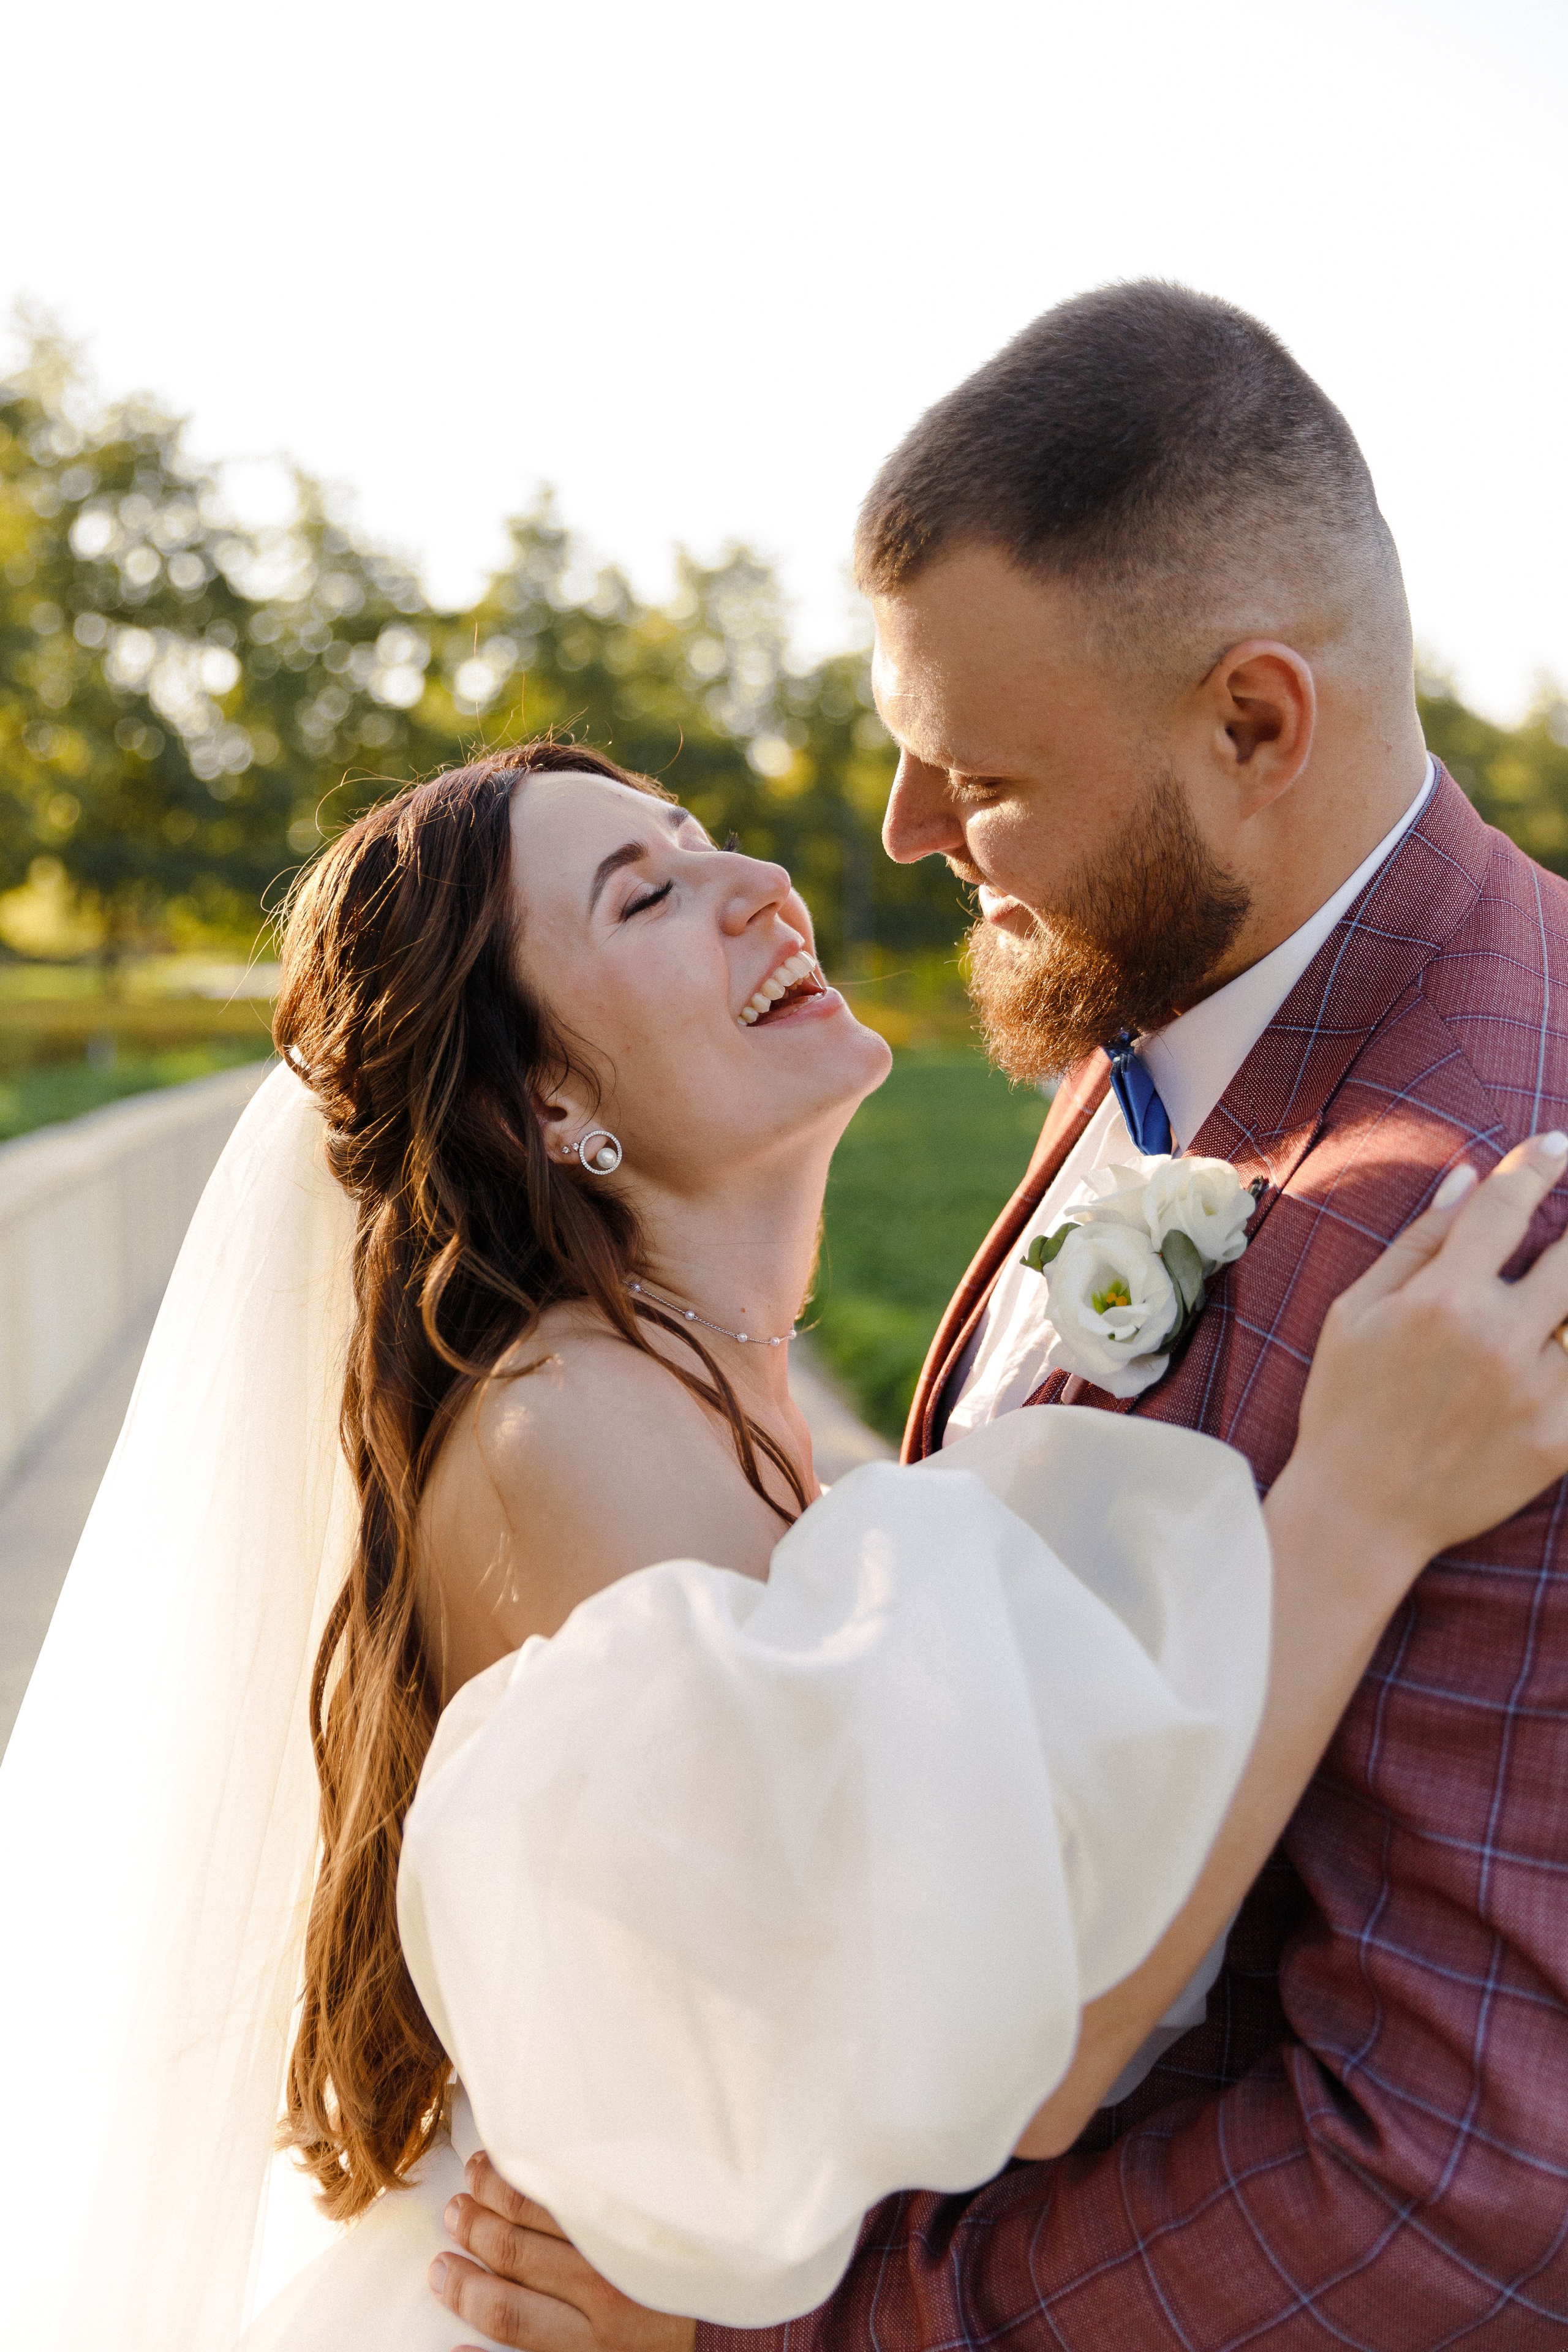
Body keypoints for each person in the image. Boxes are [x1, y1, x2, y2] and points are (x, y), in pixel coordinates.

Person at [442, 287, 1568, 2346]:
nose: (889, 833)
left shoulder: (1496, 1252)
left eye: (976, 770)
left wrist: (799, 2330)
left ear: (1253, 725)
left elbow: (1446, 2172)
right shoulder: (1161, 1000)